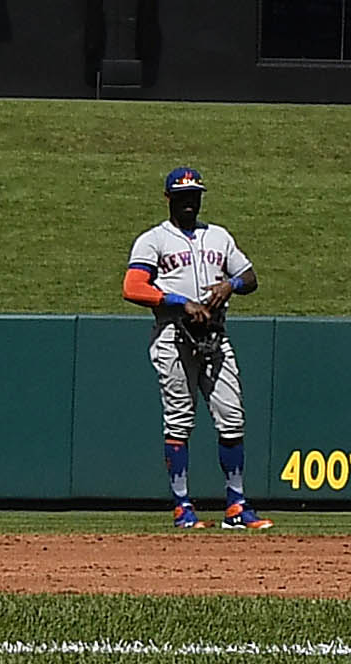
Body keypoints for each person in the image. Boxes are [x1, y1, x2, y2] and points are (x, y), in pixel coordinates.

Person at [124, 164, 264, 529]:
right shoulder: (154, 239)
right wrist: (178, 301)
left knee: (232, 419)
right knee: (179, 421)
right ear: (169, 198)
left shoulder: (218, 236)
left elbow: (250, 277)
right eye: (183, 196)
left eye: (195, 196)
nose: (190, 202)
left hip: (215, 336)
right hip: (174, 334)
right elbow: (133, 286)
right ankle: (182, 506)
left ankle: (236, 506)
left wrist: (229, 285)